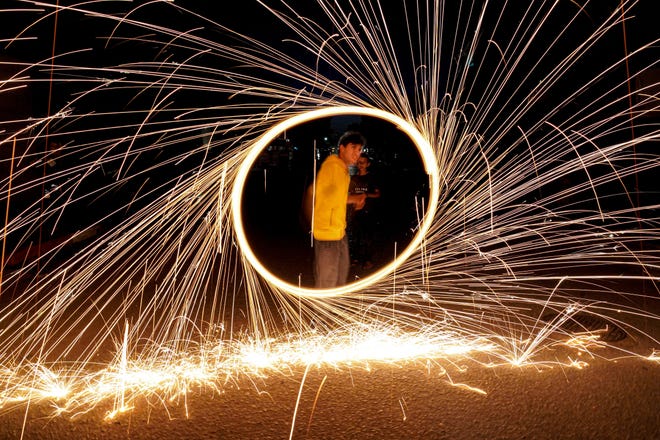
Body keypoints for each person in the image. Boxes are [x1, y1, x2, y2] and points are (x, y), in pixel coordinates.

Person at [312, 131, 367, 288]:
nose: (357, 153)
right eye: (353, 147)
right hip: (327, 234)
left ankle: (331, 310)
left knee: (341, 274)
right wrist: (354, 199)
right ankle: (322, 311)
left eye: (359, 150)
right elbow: (328, 198)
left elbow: (338, 195)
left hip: (338, 231)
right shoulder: (332, 167)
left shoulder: (343, 170)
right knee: (328, 280)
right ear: (341, 148)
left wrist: (353, 200)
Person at [348, 153, 381, 269]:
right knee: (355, 236)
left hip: (368, 212)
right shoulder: (353, 178)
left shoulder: (371, 178)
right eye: (358, 162)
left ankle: (368, 260)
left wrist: (366, 194)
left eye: (363, 162)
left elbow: (377, 194)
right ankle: (355, 258)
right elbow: (350, 194)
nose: (360, 164)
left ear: (368, 164)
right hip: (355, 212)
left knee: (367, 237)